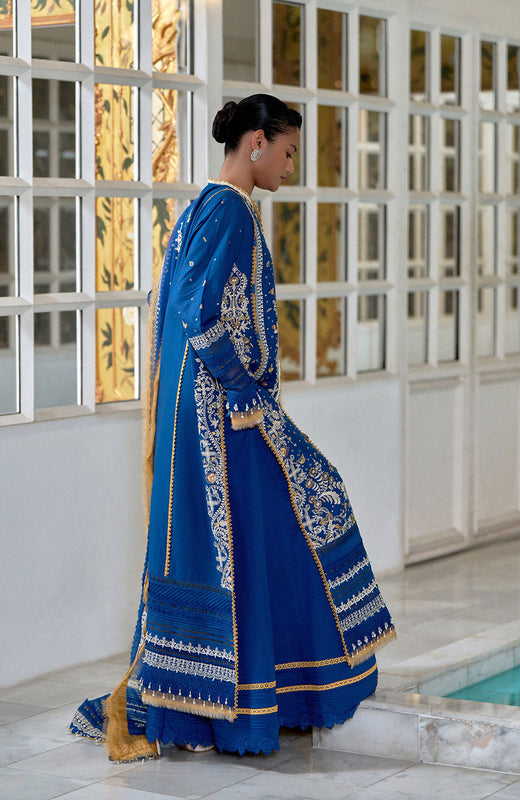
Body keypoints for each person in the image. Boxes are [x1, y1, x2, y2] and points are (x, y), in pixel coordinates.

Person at [71, 94, 396, 761]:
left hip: (206, 414)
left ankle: (242, 703)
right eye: (287, 151)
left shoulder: (206, 206)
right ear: (256, 143)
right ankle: (253, 703)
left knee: (250, 542)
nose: (290, 166)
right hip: (223, 416)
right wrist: (242, 388)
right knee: (302, 508)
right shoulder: (227, 210)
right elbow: (198, 308)